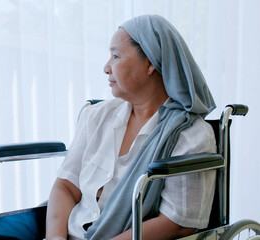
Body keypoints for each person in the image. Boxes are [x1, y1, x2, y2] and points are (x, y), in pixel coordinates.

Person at [46, 15, 217, 240]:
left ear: (150, 64)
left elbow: (177, 223)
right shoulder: (95, 117)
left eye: (116, 56)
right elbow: (66, 187)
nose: (106, 68)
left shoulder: (190, 136)